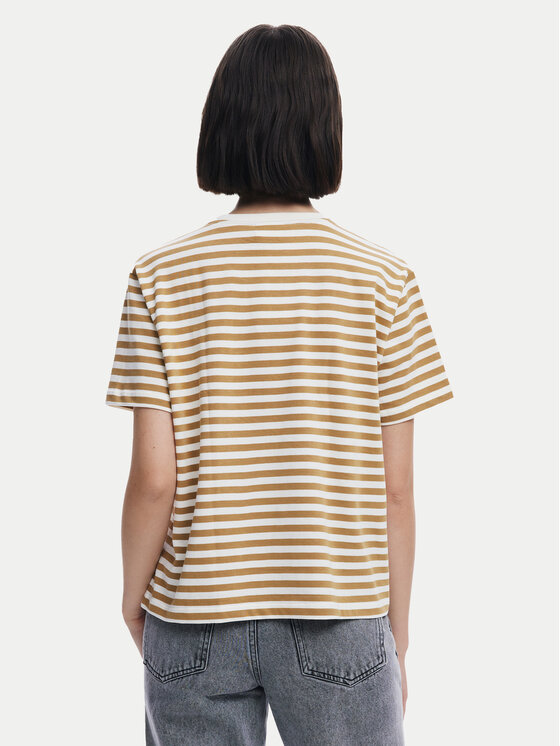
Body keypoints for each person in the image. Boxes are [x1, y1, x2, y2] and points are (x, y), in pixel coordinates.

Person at [106, 24, 454, 746]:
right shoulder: (385, 281)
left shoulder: (159, 277)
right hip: (340, 615)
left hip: (193, 618)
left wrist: (133, 599)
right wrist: (397, 635)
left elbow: (154, 479)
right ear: (326, 129)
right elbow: (395, 489)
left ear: (220, 125)